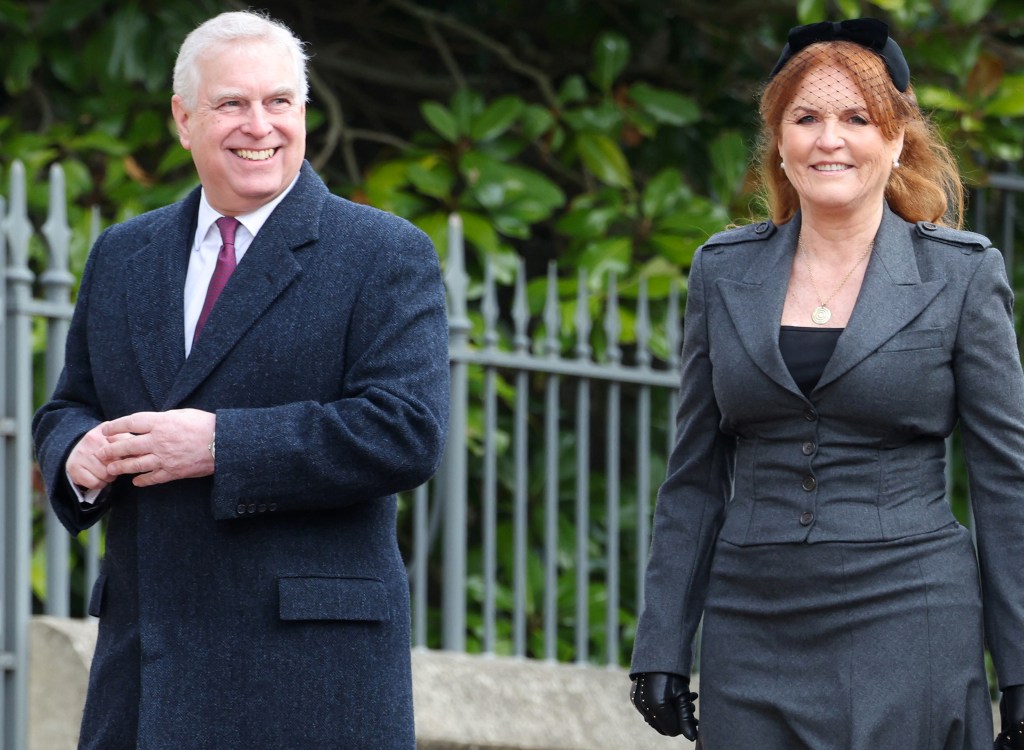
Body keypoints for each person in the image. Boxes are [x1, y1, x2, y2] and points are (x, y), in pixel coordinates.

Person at [32, 10, 449, 749]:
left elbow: (404, 431)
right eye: (232, 103)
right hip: (145, 670)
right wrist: (74, 454)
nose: (260, 125)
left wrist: (222, 445)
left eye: (280, 102)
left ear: (304, 113)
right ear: (183, 119)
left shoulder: (382, 253)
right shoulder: (122, 256)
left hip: (306, 681)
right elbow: (72, 402)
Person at [628, 17, 1024, 749]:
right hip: (752, 623)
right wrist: (662, 643)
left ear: (897, 138)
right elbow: (694, 473)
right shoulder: (723, 271)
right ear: (779, 141)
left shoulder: (962, 274)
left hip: (908, 615)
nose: (828, 139)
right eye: (805, 117)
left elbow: (1006, 482)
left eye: (856, 118)